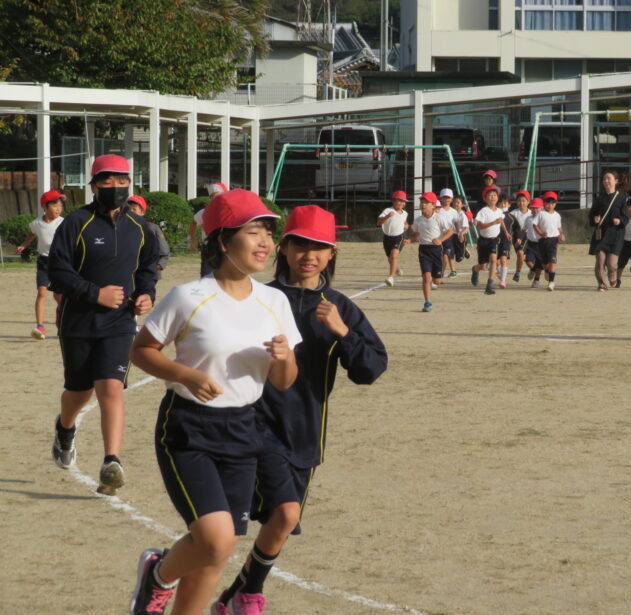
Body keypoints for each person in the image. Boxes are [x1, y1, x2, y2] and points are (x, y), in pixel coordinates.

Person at [128, 189, 300, 615]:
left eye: (268, 233)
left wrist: (284, 358)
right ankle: (158, 575)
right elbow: (141, 350)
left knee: (217, 552)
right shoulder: (190, 296)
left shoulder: (274, 300)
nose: (265, 242)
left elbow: (283, 381)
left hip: (244, 428)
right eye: (253, 232)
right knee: (216, 537)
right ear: (223, 241)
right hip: (189, 428)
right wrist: (185, 374)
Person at [213, 205, 387, 614]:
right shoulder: (257, 297)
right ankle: (245, 595)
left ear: (331, 255)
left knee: (282, 523)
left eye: (320, 247)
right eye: (301, 244)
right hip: (249, 426)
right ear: (285, 249)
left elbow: (370, 369)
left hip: (304, 432)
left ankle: (232, 597)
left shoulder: (339, 307)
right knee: (247, 522)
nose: (310, 254)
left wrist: (343, 333)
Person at [48, 154, 158, 496]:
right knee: (78, 393)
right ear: (93, 186)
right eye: (107, 182)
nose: (115, 187)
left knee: (111, 387)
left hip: (120, 322)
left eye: (122, 181)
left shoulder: (141, 229)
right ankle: (65, 428)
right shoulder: (75, 223)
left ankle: (112, 461)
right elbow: (59, 272)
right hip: (78, 321)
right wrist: (96, 294)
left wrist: (146, 294)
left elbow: (147, 268)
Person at [16, 189, 65, 339]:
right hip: (43, 262)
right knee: (42, 293)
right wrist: (24, 244)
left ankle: (62, 318)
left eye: (60, 205)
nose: (58, 208)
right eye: (54, 205)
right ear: (45, 206)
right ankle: (40, 327)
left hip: (60, 262)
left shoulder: (63, 222)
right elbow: (33, 233)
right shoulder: (36, 223)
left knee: (59, 296)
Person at [405, 192, 453, 312]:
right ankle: (427, 302)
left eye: (426, 203)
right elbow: (415, 235)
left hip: (436, 250)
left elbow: (450, 231)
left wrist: (440, 239)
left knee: (437, 280)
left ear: (433, 205)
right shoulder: (418, 220)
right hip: (424, 250)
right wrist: (410, 240)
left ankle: (434, 281)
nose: (423, 205)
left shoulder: (439, 218)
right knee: (426, 277)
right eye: (422, 202)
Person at [588, 170, 628, 291]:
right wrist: (594, 219)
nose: (606, 181)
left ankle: (612, 274)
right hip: (601, 234)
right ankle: (601, 283)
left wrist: (619, 221)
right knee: (600, 261)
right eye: (604, 179)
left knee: (611, 264)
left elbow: (626, 217)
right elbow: (591, 215)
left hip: (615, 235)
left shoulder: (621, 198)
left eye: (608, 178)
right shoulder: (599, 199)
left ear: (616, 181)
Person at [470, 185, 509, 295]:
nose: (492, 197)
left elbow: (501, 221)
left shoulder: (500, 211)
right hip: (483, 240)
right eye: (490, 196)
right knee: (482, 265)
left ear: (498, 198)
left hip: (494, 240)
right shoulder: (483, 211)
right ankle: (475, 269)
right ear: (485, 198)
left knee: (493, 260)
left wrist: (506, 232)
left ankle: (489, 285)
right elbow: (480, 226)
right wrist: (492, 223)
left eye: (494, 195)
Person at [127, 195, 171, 278]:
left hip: (147, 274)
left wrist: (158, 266)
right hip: (128, 274)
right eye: (128, 209)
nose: (131, 212)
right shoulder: (121, 228)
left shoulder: (152, 228)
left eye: (134, 209)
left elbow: (164, 251)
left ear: (142, 212)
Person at [190, 182, 228, 277]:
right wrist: (193, 239)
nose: (214, 199)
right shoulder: (204, 212)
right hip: (209, 248)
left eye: (217, 196)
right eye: (212, 196)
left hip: (228, 248)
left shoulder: (231, 211)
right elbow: (194, 222)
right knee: (207, 277)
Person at [532, 191, 565, 291]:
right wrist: (541, 233)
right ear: (544, 203)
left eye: (552, 203)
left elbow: (559, 227)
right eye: (547, 203)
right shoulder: (541, 214)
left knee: (552, 261)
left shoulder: (557, 215)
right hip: (543, 241)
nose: (550, 205)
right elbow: (535, 225)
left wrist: (561, 234)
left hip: (553, 240)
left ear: (555, 204)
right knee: (545, 262)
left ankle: (551, 282)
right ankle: (546, 270)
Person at [376, 190, 409, 287]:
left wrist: (406, 224)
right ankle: (396, 268)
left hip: (399, 237)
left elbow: (404, 221)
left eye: (403, 201)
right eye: (398, 200)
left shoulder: (405, 213)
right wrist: (387, 216)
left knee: (394, 255)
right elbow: (378, 222)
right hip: (387, 237)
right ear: (393, 201)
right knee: (390, 258)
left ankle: (391, 277)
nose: (401, 203)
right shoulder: (388, 210)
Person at [509, 190, 531, 282]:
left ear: (528, 201)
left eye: (523, 200)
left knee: (529, 261)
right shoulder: (513, 213)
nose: (521, 203)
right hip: (517, 237)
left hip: (529, 237)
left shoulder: (532, 213)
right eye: (519, 200)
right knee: (520, 253)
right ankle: (518, 273)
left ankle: (534, 270)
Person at [437, 188, 459, 277]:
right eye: (444, 197)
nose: (446, 199)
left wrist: (458, 233)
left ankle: (443, 272)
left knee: (448, 254)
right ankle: (442, 272)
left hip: (449, 236)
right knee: (444, 255)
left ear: (452, 199)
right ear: (441, 198)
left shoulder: (453, 211)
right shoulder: (438, 210)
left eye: (448, 197)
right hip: (439, 235)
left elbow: (456, 222)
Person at [523, 198, 544, 287]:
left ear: (542, 208)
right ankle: (532, 269)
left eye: (537, 208)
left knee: (540, 263)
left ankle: (536, 280)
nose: (535, 210)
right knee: (528, 261)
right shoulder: (528, 219)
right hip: (530, 243)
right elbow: (524, 229)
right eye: (533, 208)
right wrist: (519, 238)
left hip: (541, 244)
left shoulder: (544, 218)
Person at [496, 194, 514, 288]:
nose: (503, 205)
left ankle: (503, 281)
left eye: (505, 203)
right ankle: (500, 273)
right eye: (501, 203)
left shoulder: (511, 217)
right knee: (494, 260)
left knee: (503, 258)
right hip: (494, 239)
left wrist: (518, 237)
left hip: (505, 240)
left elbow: (517, 229)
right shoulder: (494, 214)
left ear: (509, 204)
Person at [452, 195, 471, 264]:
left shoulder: (462, 215)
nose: (455, 204)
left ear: (462, 205)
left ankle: (464, 250)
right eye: (454, 202)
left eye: (458, 202)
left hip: (461, 236)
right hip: (452, 235)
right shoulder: (451, 212)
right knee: (451, 252)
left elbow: (467, 228)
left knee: (459, 259)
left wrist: (461, 234)